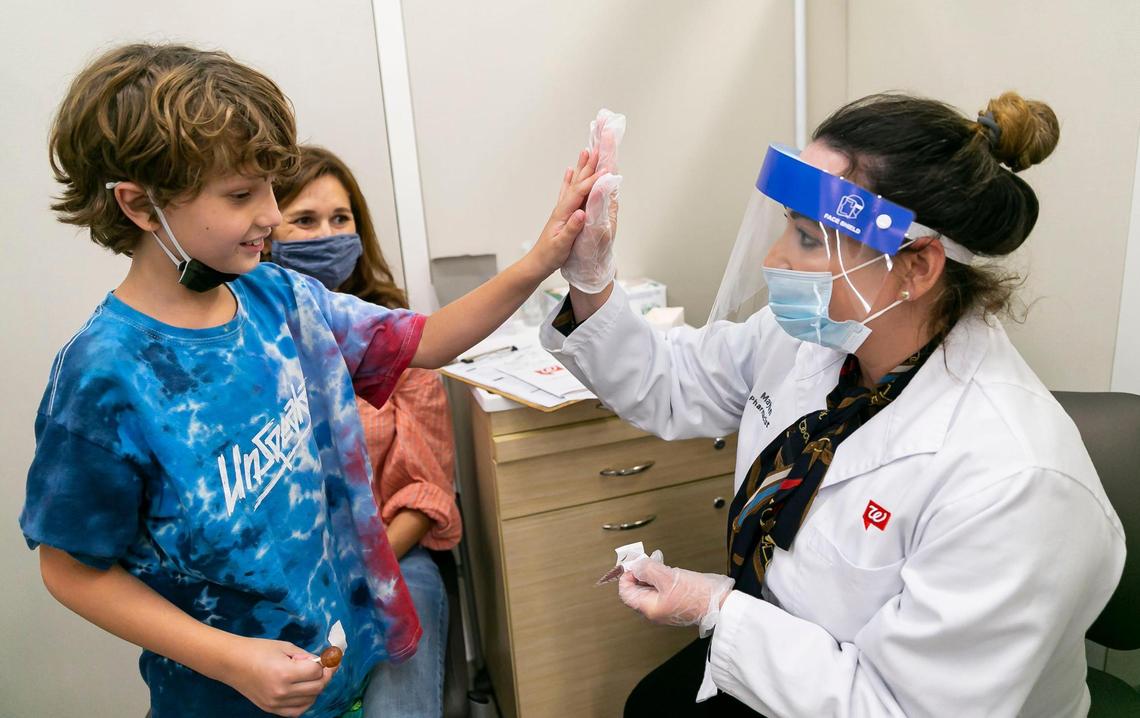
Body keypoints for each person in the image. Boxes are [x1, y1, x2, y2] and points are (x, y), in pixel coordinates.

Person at [20, 43, 600, 717]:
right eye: (241, 195)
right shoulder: (104, 378)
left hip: (337, 665)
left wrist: (542, 258)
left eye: (270, 185)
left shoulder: (279, 297)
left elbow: (428, 340)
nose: (270, 214)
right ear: (142, 208)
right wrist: (231, 659)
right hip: (228, 696)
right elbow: (69, 569)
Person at [541, 91, 1126, 716]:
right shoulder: (818, 338)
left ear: (915, 265)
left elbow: (897, 707)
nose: (774, 260)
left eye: (807, 238)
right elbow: (671, 380)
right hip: (788, 660)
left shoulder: (1013, 480)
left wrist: (717, 608)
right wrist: (591, 280)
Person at [266, 145, 461, 717]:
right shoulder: (246, 349)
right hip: (285, 583)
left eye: (340, 219)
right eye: (304, 221)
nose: (327, 234)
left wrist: (356, 571)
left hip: (395, 560)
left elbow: (426, 494)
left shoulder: (396, 338)